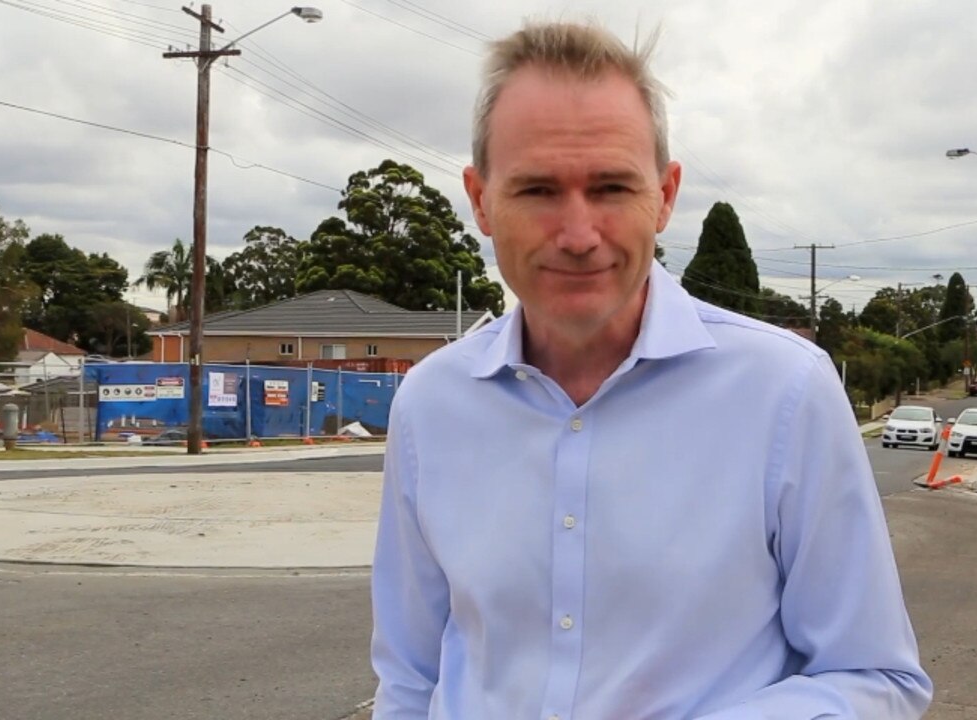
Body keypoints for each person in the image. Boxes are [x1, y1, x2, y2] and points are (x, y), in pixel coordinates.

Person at [370, 20, 933, 719]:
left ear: (665, 196)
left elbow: (876, 676)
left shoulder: (785, 393)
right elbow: (409, 679)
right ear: (480, 200)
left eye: (610, 187)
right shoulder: (430, 405)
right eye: (537, 190)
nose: (578, 235)